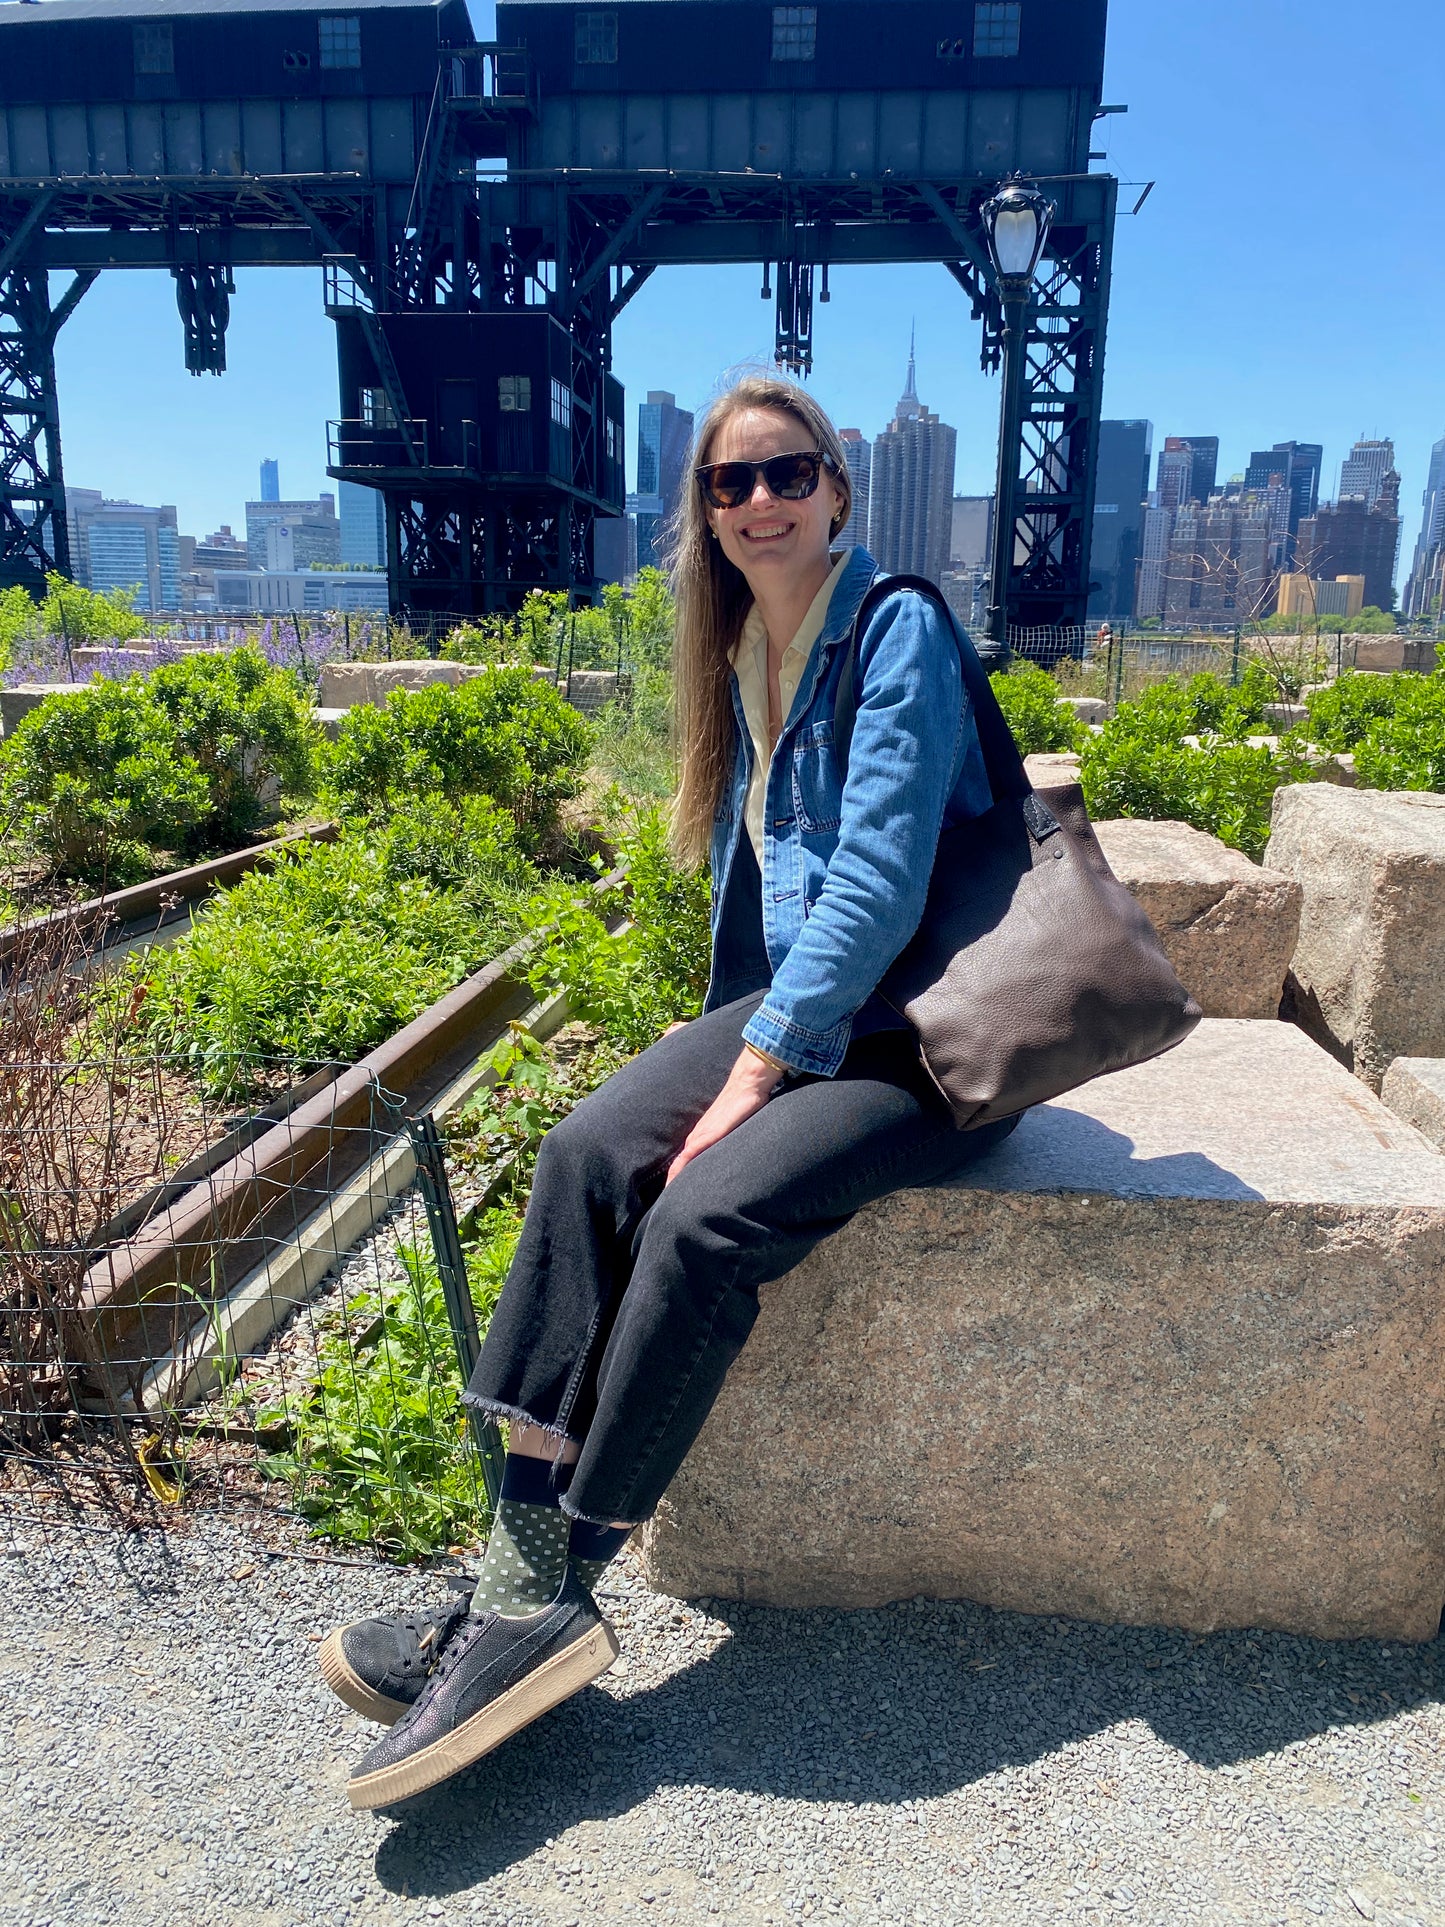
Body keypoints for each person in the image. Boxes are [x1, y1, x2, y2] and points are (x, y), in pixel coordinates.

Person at [324, 371, 1021, 1811]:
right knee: (589, 1149)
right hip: (808, 1012)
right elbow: (762, 889)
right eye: (727, 483)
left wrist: (753, 1068)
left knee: (705, 1212)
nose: (757, 502)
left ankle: (546, 1597)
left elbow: (881, 884)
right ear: (700, 514)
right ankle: (509, 1576)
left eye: (785, 474)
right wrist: (725, 1041)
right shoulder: (739, 651)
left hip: (932, 1040)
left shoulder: (892, 634)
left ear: (838, 489)